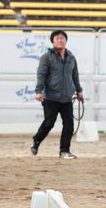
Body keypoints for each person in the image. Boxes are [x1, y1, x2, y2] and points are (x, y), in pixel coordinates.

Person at [30, 30, 83, 159]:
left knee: (69, 125)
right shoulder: (47, 57)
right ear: (52, 41)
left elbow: (75, 76)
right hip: (50, 98)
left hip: (66, 98)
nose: (60, 40)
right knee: (49, 123)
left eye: (62, 38)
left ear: (66, 40)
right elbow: (41, 75)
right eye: (57, 38)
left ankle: (64, 151)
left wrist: (79, 90)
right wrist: (38, 91)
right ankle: (37, 140)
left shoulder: (71, 57)